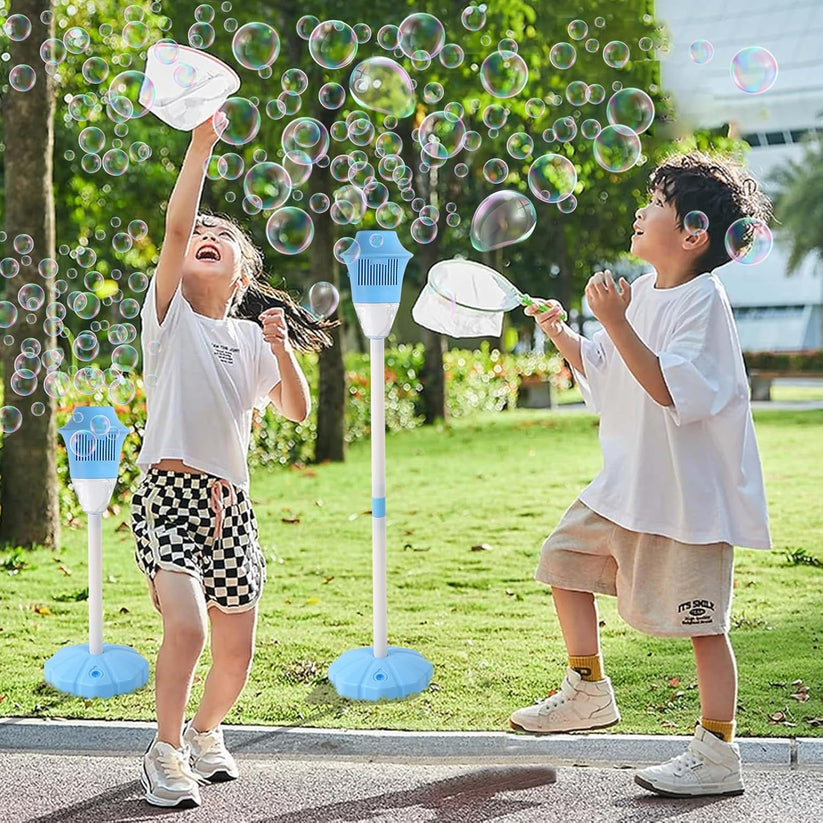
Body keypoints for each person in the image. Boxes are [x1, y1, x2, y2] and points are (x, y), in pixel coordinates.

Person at [512, 151, 772, 797]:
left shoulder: (702, 303)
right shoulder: (644, 292)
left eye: (655, 203)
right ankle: (587, 689)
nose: (640, 210)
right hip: (625, 487)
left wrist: (613, 320)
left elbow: (664, 385)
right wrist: (561, 332)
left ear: (692, 234)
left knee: (703, 626)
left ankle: (717, 751)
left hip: (686, 503)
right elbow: (607, 370)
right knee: (561, 561)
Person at [131, 114, 336, 809]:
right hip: (168, 497)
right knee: (187, 628)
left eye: (222, 236)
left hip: (230, 508)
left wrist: (281, 348)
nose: (206, 235)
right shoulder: (169, 319)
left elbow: (295, 410)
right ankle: (164, 751)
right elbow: (175, 229)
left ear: (241, 275)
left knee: (236, 653)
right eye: (201, 234)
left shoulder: (249, 339)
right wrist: (201, 144)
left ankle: (204, 730)